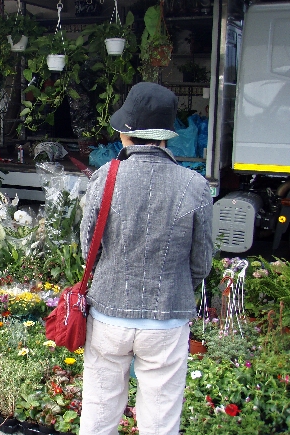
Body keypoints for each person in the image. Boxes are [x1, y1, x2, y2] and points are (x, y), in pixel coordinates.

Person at [78, 82, 213, 435]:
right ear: (165, 136)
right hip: (167, 318)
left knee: (98, 412)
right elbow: (201, 263)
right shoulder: (195, 185)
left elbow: (87, 248)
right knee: (160, 419)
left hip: (108, 314)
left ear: (126, 132)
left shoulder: (105, 178)